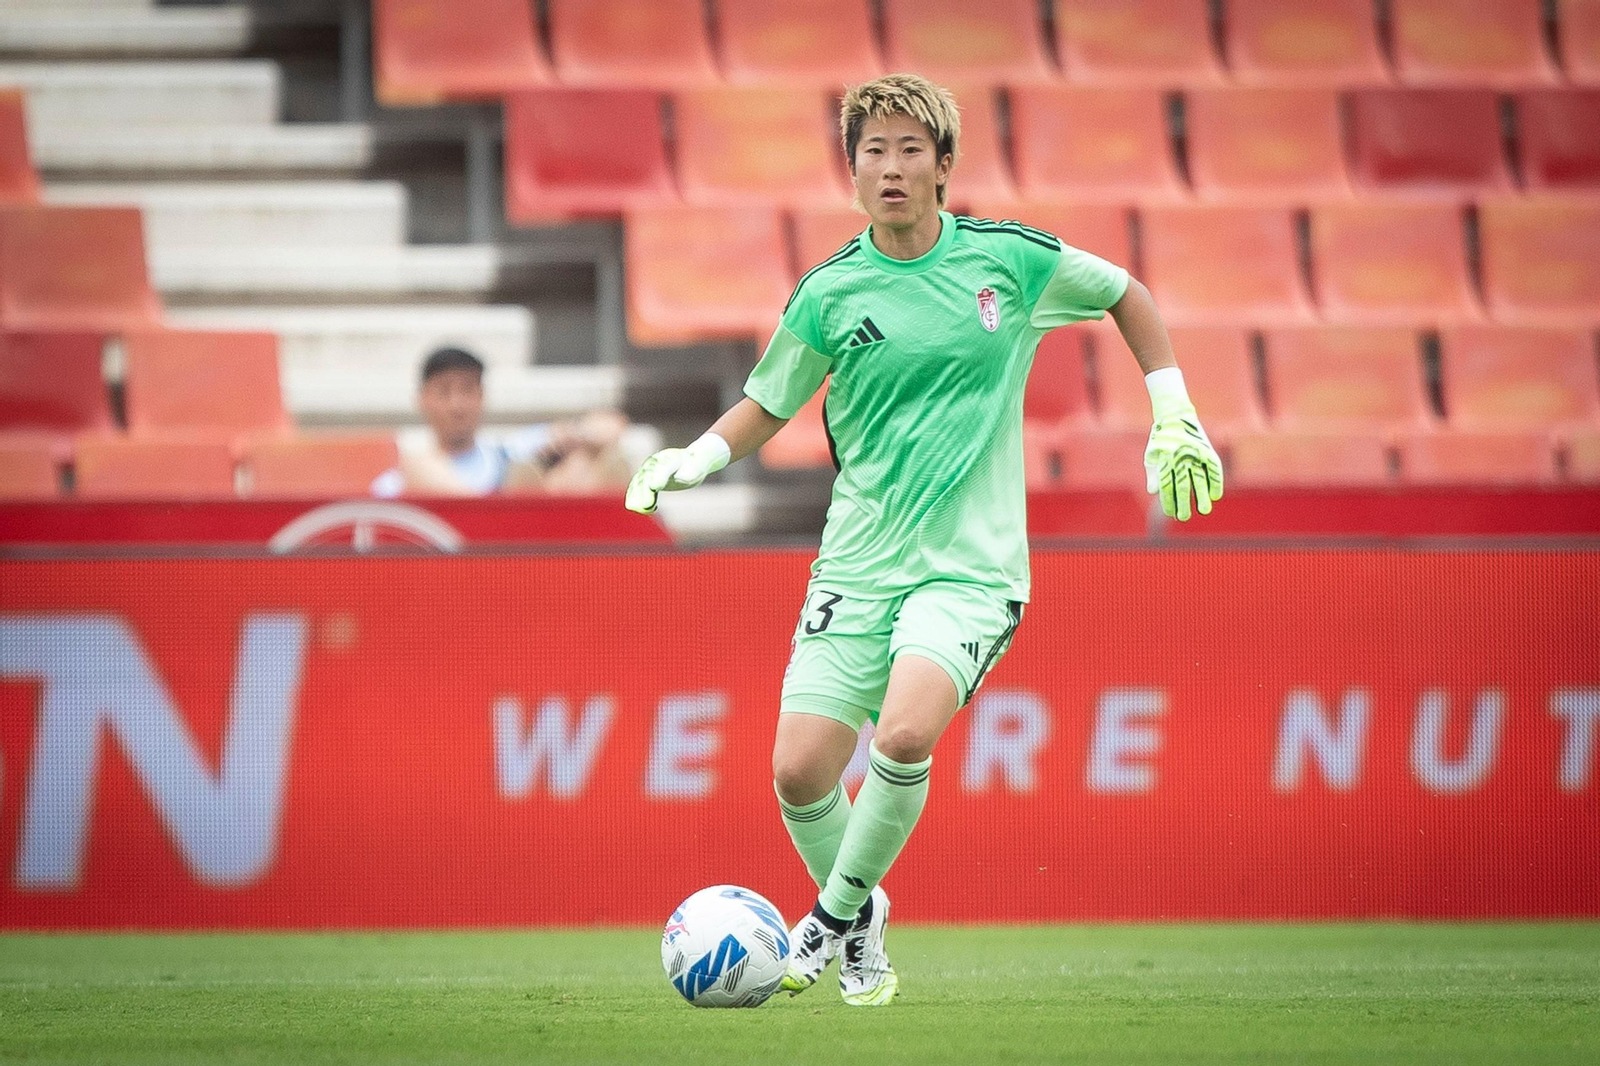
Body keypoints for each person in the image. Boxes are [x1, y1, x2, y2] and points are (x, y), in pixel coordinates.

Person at [625, 74, 1224, 1006]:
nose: (892, 167)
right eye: (874, 151)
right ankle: (867, 926)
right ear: (852, 170)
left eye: (911, 150)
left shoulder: (1009, 263)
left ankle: (829, 921)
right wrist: (698, 456)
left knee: (903, 732)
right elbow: (768, 400)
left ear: (945, 167)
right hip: (857, 564)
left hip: (971, 569)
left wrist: (1173, 411)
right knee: (797, 771)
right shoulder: (830, 292)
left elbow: (1126, 293)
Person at [372, 346, 631, 497]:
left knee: (590, 460)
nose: (457, 405)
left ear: (481, 395)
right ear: (423, 399)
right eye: (444, 392)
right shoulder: (400, 478)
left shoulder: (509, 451)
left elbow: (609, 427)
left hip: (517, 555)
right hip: (456, 565)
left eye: (467, 390)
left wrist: (572, 435)